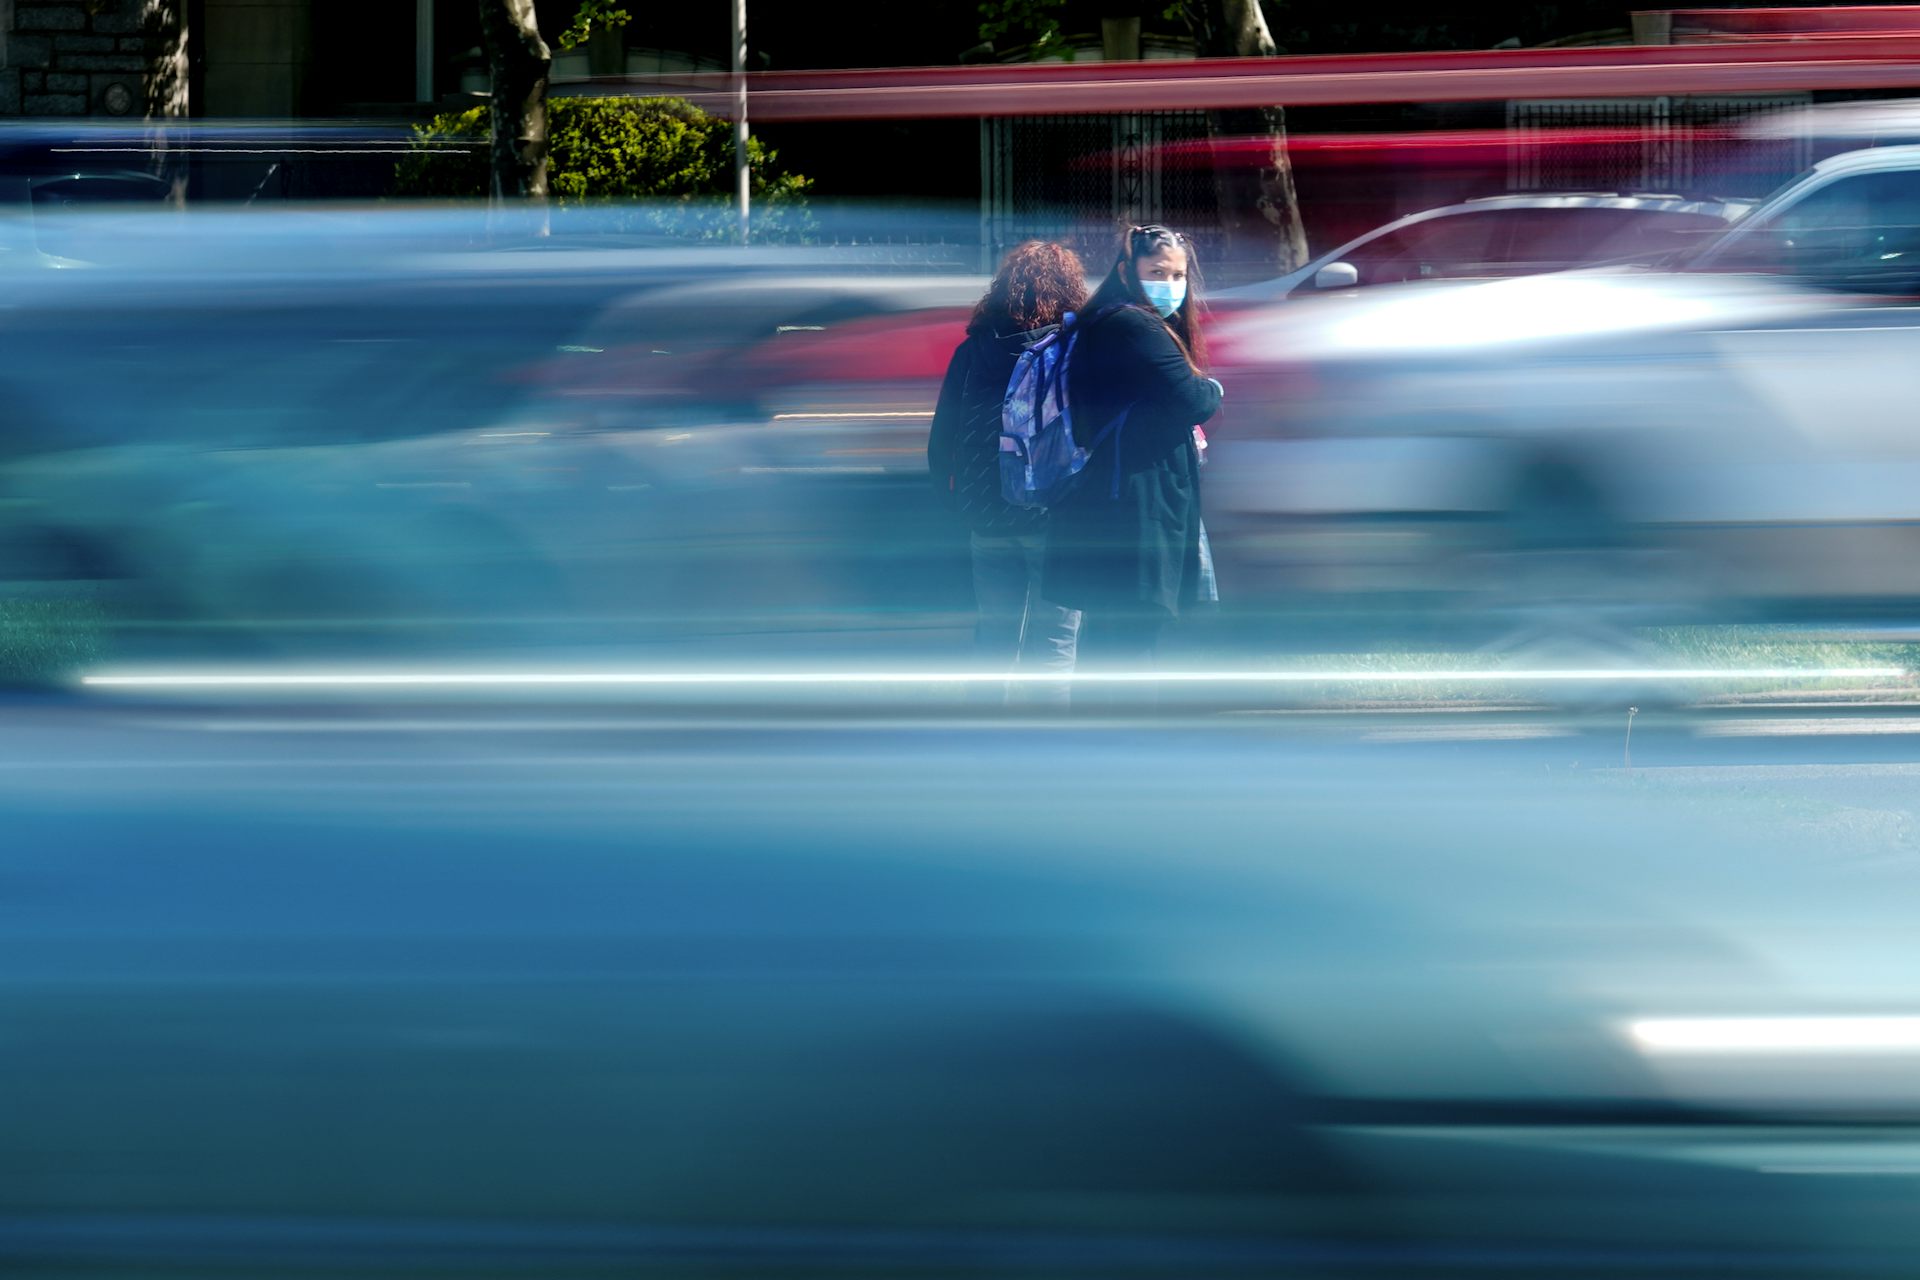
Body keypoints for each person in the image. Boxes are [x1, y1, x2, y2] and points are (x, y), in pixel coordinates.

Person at [1042, 224, 1223, 708]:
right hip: (1137, 507)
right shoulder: (1133, 325)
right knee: (1133, 636)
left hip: (1115, 500)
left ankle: (1107, 749)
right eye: (1157, 272)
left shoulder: (1103, 322)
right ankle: (1126, 751)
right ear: (1127, 271)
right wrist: (1213, 389)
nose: (1170, 283)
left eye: (1178, 274)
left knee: (1114, 636)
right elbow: (1193, 397)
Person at [927, 240, 1088, 705]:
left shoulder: (972, 351)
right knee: (1056, 634)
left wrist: (957, 502)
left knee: (995, 630)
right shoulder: (1072, 351)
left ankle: (986, 732)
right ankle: (1046, 739)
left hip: (986, 511)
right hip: (1053, 513)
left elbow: (943, 437)